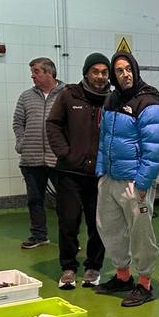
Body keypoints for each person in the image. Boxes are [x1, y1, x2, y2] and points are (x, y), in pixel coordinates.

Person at [93, 52, 159, 307]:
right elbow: (104, 140)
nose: (125, 74)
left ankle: (144, 282)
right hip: (111, 178)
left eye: (128, 69)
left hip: (135, 182)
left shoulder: (149, 103)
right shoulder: (112, 100)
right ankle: (123, 276)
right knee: (109, 227)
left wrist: (143, 183)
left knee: (140, 234)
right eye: (119, 70)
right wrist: (102, 172)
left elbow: (156, 149)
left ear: (135, 71)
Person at [46, 53, 110, 290]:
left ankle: (94, 267)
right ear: (86, 73)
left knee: (98, 224)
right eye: (96, 71)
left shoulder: (111, 100)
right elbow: (52, 124)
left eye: (104, 72)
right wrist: (65, 153)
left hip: (100, 174)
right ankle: (69, 267)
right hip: (70, 173)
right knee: (69, 222)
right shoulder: (68, 95)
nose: (100, 77)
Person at [13, 57, 66, 250]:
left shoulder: (67, 94)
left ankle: (69, 238)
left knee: (66, 201)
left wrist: (68, 149)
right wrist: (21, 142)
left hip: (59, 159)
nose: (32, 75)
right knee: (35, 199)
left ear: (49, 73)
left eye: (36, 71)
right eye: (32, 71)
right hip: (31, 158)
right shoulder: (26, 96)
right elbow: (18, 122)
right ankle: (38, 235)